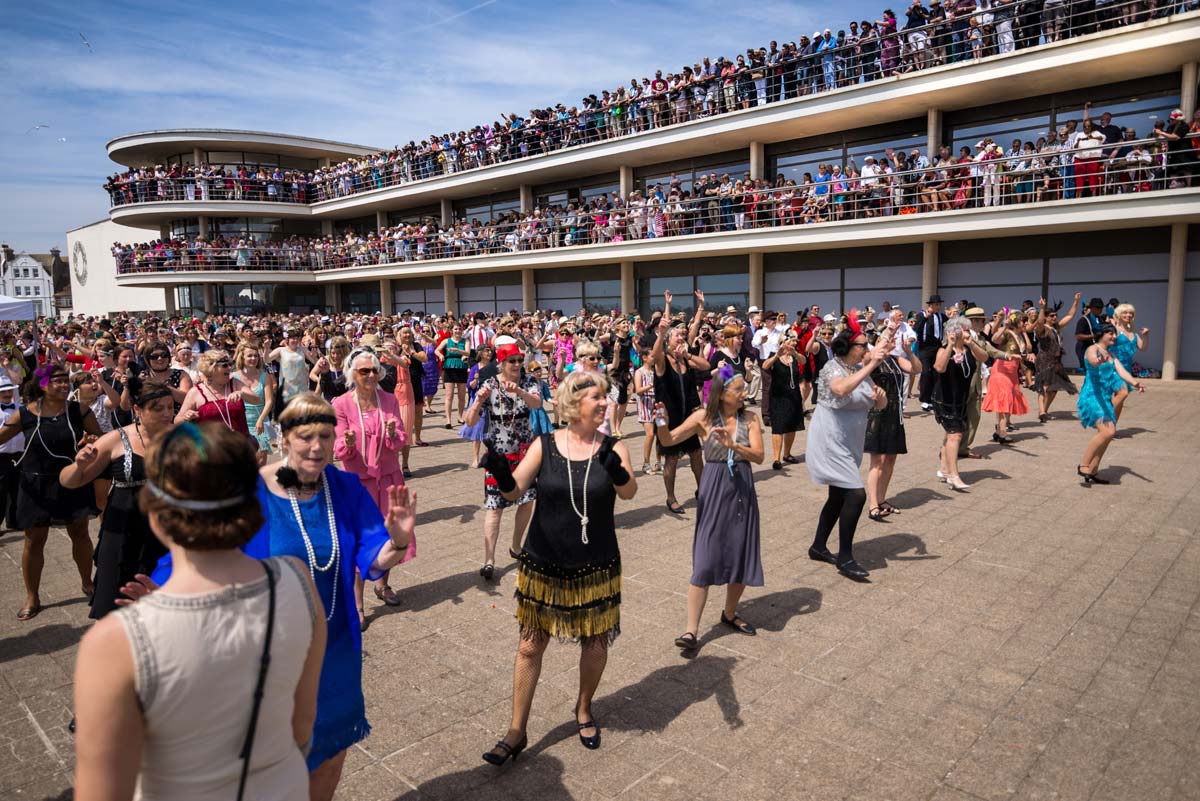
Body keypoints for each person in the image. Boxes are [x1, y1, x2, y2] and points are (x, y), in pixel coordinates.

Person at [132, 395, 416, 801]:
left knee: (330, 756)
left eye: (324, 435)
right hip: (259, 654)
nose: (316, 447)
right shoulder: (249, 490)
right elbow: (198, 551)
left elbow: (374, 554)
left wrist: (399, 540)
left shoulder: (346, 487)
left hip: (333, 648)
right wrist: (164, 594)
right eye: (305, 437)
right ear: (284, 438)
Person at [73, 423, 326, 801]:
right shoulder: (299, 581)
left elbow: (104, 791)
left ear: (155, 511)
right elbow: (302, 727)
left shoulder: (113, 642)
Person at [479, 369, 637, 765]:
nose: (604, 403)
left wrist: (616, 470)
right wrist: (500, 471)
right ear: (573, 404)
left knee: (596, 641)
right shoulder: (544, 444)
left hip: (596, 564)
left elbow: (630, 491)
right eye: (596, 398)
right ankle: (516, 729)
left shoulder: (614, 446)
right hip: (544, 562)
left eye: (605, 397)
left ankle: (583, 708)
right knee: (531, 644)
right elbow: (515, 490)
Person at [655, 366, 764, 650]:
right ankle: (691, 631)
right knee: (704, 557)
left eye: (743, 390)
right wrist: (661, 423)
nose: (743, 394)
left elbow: (761, 456)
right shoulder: (703, 417)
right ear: (722, 393)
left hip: (741, 489)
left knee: (739, 552)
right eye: (738, 390)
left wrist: (734, 447)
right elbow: (668, 440)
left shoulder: (750, 418)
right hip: (714, 488)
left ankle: (729, 613)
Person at [59, 377, 174, 620]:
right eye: (158, 408)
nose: (166, 413)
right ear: (138, 410)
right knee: (118, 602)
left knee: (164, 604)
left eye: (170, 407)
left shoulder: (182, 437)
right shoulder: (115, 439)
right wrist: (79, 466)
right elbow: (69, 481)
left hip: (168, 529)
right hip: (123, 530)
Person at [0, 363, 103, 620]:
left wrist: (90, 442)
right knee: (34, 540)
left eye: (65, 380)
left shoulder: (78, 410)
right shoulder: (25, 414)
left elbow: (100, 438)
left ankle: (87, 582)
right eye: (56, 380)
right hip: (35, 485)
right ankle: (32, 596)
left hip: (72, 481)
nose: (64, 384)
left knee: (79, 533)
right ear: (43, 385)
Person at [333, 347, 414, 621]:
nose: (370, 375)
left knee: (390, 534)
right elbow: (338, 447)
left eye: (374, 370)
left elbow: (400, 438)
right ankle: (358, 602)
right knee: (359, 540)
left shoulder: (389, 399)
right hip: (358, 481)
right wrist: (347, 443)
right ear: (352, 373)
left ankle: (383, 584)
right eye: (363, 371)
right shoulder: (341, 403)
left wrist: (393, 433)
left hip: (389, 477)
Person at [805, 320, 889, 581]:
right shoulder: (833, 368)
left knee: (838, 497)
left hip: (849, 443)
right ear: (849, 347)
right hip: (829, 442)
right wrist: (872, 364)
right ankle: (846, 557)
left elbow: (879, 403)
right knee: (855, 495)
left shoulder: (857, 368)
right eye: (864, 345)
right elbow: (841, 389)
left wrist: (881, 395)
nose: (868, 349)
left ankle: (818, 547)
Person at [463, 339, 542, 579]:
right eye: (512, 361)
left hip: (525, 451)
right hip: (499, 452)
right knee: (495, 507)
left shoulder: (529, 381)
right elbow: (469, 421)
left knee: (528, 501)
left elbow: (537, 403)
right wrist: (477, 401)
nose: (517, 364)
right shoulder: (490, 384)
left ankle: (516, 546)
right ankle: (489, 560)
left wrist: (518, 391)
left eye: (519, 360)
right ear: (502, 363)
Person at [1077, 324, 1145, 484]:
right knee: (1106, 433)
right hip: (1092, 396)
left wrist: (1135, 383)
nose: (1114, 337)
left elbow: (1122, 372)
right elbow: (1093, 361)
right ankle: (1083, 465)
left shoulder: (1112, 355)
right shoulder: (1092, 349)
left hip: (1105, 398)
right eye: (1111, 334)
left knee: (1110, 433)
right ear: (1101, 335)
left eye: (1115, 334)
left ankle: (1093, 470)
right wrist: (1100, 359)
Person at [933, 316, 991, 491]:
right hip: (945, 399)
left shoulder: (969, 349)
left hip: (961, 399)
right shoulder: (944, 349)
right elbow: (939, 367)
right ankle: (954, 476)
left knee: (950, 435)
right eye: (965, 329)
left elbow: (985, 356)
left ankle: (943, 469)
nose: (968, 332)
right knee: (955, 436)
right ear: (955, 331)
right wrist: (950, 346)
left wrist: (972, 343)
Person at [863, 324, 912, 520]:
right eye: (890, 339)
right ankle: (873, 504)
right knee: (878, 460)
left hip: (894, 414)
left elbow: (916, 368)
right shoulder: (871, 358)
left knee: (891, 458)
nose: (893, 342)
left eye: (894, 339)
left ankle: (882, 499)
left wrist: (908, 351)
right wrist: (887, 332)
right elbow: (869, 359)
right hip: (876, 414)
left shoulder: (895, 359)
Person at [175, 349, 262, 440]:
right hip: (212, 449)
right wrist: (186, 417)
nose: (229, 368)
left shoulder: (234, 383)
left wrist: (241, 393)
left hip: (240, 444)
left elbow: (257, 400)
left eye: (230, 364)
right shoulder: (196, 392)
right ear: (211, 368)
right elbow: (177, 420)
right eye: (225, 365)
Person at [982, 311, 1031, 444]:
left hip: (1013, 372)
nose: (1025, 323)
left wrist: (1029, 356)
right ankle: (1002, 432)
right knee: (1003, 400)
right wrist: (1004, 325)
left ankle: (998, 431)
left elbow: (1026, 350)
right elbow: (994, 339)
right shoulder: (1008, 333)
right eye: (1023, 321)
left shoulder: (1020, 335)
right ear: (1016, 322)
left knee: (1008, 400)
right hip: (1002, 370)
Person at [1032, 294, 1080, 422]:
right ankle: (1042, 411)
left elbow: (1069, 316)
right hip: (1044, 360)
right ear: (1046, 317)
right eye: (1051, 316)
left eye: (1055, 315)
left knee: (1054, 390)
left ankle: (1044, 410)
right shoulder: (1042, 330)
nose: (1055, 317)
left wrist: (1075, 301)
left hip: (1056, 362)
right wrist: (1041, 308)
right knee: (1045, 386)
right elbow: (1040, 322)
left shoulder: (1056, 327)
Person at [761, 334, 805, 469]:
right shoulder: (775, 355)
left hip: (794, 395)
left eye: (793, 342)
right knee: (778, 427)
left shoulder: (795, 357)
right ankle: (776, 458)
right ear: (782, 343)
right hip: (778, 397)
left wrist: (795, 353)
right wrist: (776, 356)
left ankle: (787, 454)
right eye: (789, 342)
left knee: (792, 425)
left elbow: (804, 361)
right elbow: (765, 366)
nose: (792, 344)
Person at [1108, 303, 1149, 423]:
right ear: (1119, 315)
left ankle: (1112, 427)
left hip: (1126, 369)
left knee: (1120, 399)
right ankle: (1105, 421)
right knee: (1122, 393)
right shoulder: (1115, 329)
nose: (1128, 315)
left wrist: (1146, 336)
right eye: (1125, 312)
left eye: (1131, 313)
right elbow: (1104, 342)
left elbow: (1143, 347)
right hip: (1114, 367)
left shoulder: (1134, 333)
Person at [234, 344, 277, 452]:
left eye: (256, 356)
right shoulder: (233, 377)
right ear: (242, 357)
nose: (253, 359)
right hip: (241, 422)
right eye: (249, 356)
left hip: (260, 420)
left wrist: (261, 419)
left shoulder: (264, 376)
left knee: (262, 455)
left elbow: (269, 401)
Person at [915, 294, 946, 410]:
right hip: (925, 348)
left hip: (937, 347)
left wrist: (953, 316)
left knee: (936, 373)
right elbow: (916, 328)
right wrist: (925, 317)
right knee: (926, 372)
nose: (938, 307)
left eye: (939, 304)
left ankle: (933, 398)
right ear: (931, 305)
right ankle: (924, 399)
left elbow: (950, 326)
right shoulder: (921, 315)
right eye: (936, 304)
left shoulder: (942, 316)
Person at [436, 323, 469, 429]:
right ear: (452, 330)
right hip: (449, 368)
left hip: (461, 368)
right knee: (449, 395)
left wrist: (458, 351)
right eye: (455, 329)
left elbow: (468, 353)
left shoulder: (466, 341)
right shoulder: (446, 341)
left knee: (462, 395)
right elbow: (436, 350)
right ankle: (448, 420)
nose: (458, 331)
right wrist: (441, 355)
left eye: (459, 329)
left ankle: (460, 417)